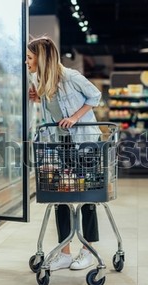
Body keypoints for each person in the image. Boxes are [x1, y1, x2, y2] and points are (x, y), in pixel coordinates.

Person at [27, 36, 101, 271]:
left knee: (87, 196)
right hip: (61, 145)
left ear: (42, 58)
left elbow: (95, 96)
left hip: (85, 142)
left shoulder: (71, 76)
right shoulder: (43, 81)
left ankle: (88, 250)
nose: (26, 61)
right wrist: (40, 99)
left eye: (29, 57)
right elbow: (56, 110)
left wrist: (75, 119)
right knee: (60, 195)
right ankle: (65, 252)